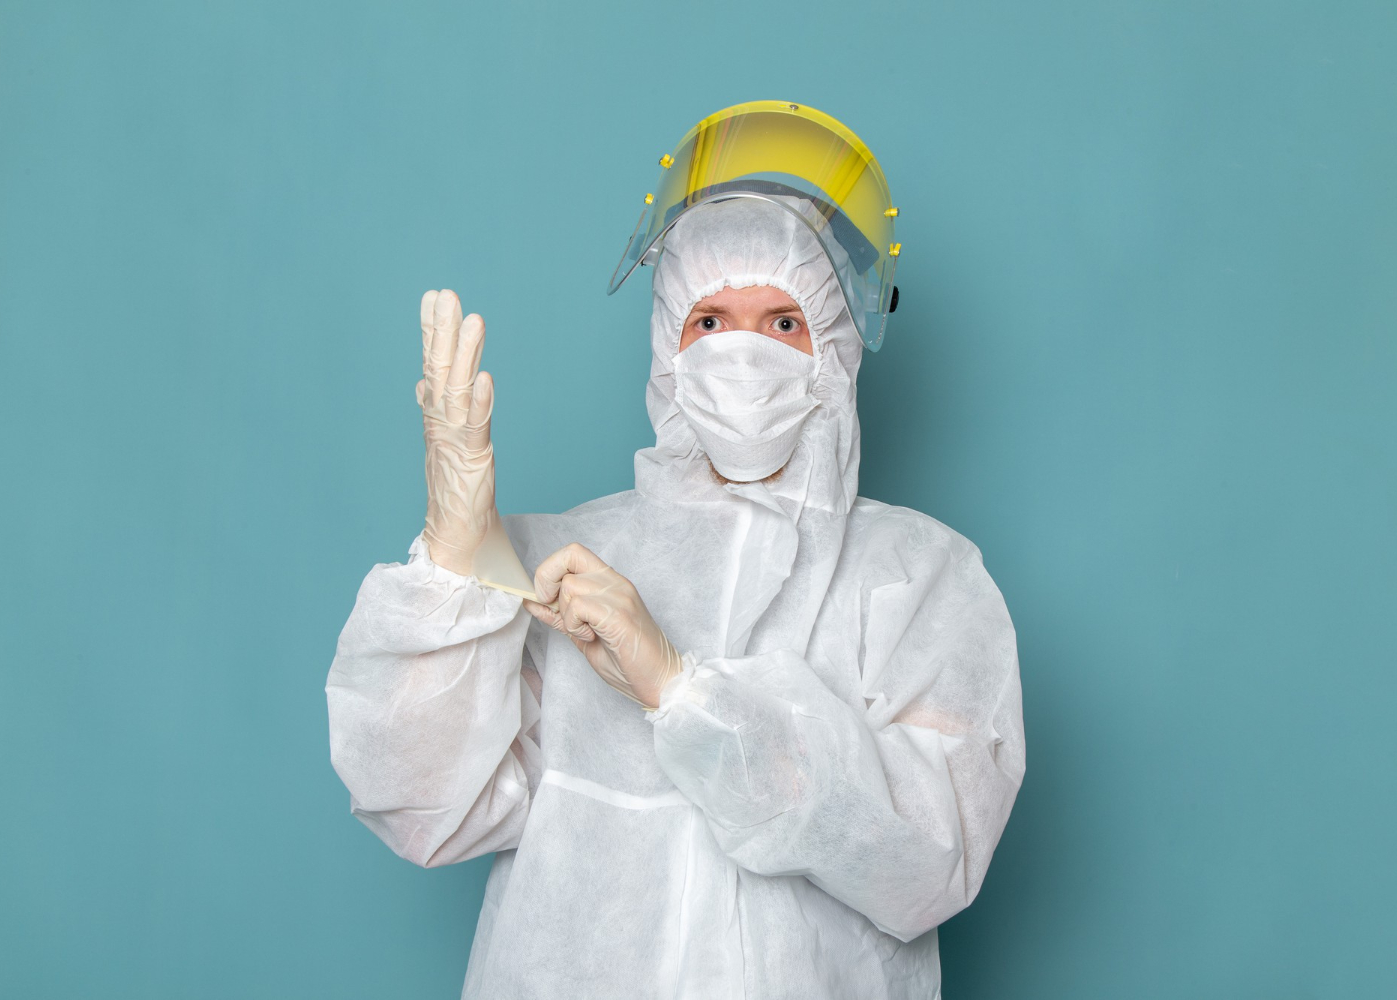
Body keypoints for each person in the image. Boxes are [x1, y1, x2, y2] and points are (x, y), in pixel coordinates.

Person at [327, 101, 1025, 1000]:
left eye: (782, 323)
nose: (742, 354)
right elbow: (427, 810)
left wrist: (680, 690)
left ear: (835, 350)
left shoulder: (918, 580)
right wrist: (455, 564)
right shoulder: (561, 565)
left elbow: (931, 860)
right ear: (668, 345)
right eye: (710, 321)